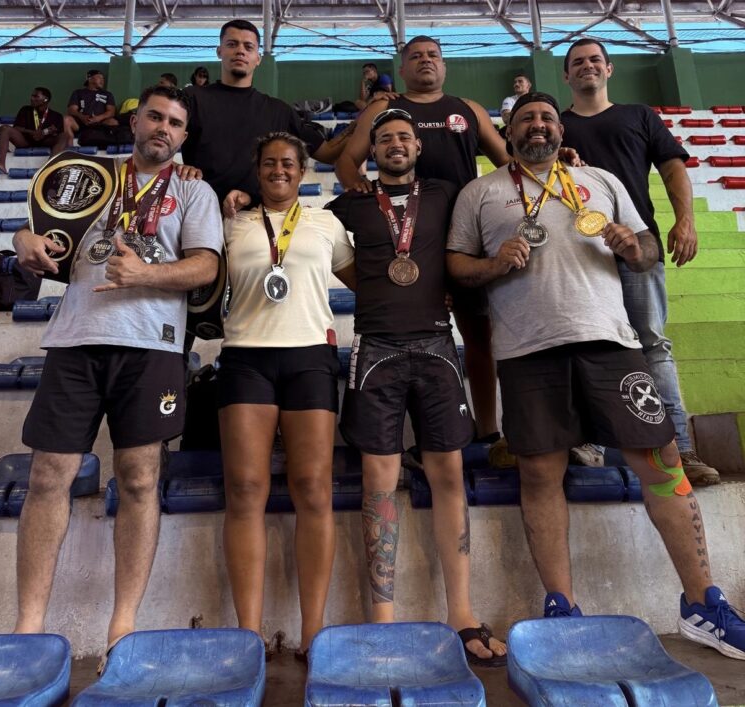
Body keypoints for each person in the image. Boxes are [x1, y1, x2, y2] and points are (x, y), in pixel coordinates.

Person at [446, 92, 745, 661]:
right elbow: (457, 264)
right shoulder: (479, 193)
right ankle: (561, 606)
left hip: (611, 342)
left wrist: (633, 247)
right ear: (508, 134)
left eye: (547, 118)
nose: (538, 125)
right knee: (540, 473)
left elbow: (649, 247)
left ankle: (703, 602)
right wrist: (493, 263)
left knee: (661, 460)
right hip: (527, 351)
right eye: (526, 119)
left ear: (562, 131)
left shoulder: (601, 181)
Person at [11, 84, 223, 663]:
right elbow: (39, 231)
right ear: (135, 122)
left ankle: (122, 627)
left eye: (174, 123)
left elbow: (205, 267)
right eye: (155, 116)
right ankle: (28, 629)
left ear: (184, 136)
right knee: (47, 476)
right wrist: (24, 240)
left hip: (152, 346)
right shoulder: (91, 178)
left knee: (139, 480)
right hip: (76, 341)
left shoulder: (193, 190)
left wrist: (145, 276)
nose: (163, 128)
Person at [325, 108, 507, 667]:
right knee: (379, 484)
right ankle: (383, 619)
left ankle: (462, 613)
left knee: (448, 474)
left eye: (404, 136)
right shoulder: (349, 205)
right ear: (373, 150)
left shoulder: (450, 194)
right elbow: (298, 230)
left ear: (418, 147)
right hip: (375, 348)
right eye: (385, 138)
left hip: (435, 345)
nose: (396, 144)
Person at [218, 132, 355, 660]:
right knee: (245, 488)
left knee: (314, 489)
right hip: (246, 357)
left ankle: (313, 630)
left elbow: (365, 281)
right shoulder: (232, 224)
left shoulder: (325, 223)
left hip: (310, 359)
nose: (279, 170)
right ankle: (248, 632)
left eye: (289, 164)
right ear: (257, 170)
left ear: (302, 171)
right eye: (270, 163)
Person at [336, 35, 511, 446]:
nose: (425, 60)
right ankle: (416, 432)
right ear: (402, 69)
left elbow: (509, 162)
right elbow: (346, 160)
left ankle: (487, 428)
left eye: (433, 54)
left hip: (463, 239)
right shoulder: (384, 108)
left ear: (444, 65)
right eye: (415, 56)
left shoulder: (468, 110)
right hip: (405, 241)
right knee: (409, 339)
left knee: (479, 336)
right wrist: (361, 189)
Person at [560, 38, 719, 485]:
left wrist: (686, 221)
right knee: (588, 345)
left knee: (652, 343)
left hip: (639, 247)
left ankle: (681, 448)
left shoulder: (639, 115)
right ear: (566, 75)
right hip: (580, 255)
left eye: (595, 59)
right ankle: (592, 443)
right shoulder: (557, 125)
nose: (587, 66)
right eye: (578, 62)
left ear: (609, 69)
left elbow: (672, 168)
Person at [182, 19, 341, 217]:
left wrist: (365, 120)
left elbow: (329, 154)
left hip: (257, 219)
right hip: (199, 216)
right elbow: (155, 142)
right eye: (232, 44)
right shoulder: (193, 99)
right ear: (219, 51)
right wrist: (175, 167)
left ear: (258, 58)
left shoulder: (278, 111)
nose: (240, 51)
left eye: (248, 47)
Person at [0, 87, 64, 173]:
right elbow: (17, 128)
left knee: (63, 136)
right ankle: (1, 163)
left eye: (36, 96)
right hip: (25, 141)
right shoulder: (25, 110)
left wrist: (45, 133)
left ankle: (49, 167)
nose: (31, 98)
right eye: (32, 96)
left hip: (45, 141)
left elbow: (57, 132)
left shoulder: (56, 116)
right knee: (4, 128)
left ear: (45, 99)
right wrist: (33, 132)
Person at [59, 68, 119, 150]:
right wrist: (82, 117)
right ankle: (70, 149)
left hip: (100, 123)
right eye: (99, 77)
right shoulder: (78, 92)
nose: (102, 80)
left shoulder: (107, 94)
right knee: (65, 119)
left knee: (113, 122)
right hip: (81, 123)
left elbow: (111, 112)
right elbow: (71, 110)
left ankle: (108, 150)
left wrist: (98, 118)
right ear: (90, 79)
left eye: (103, 78)